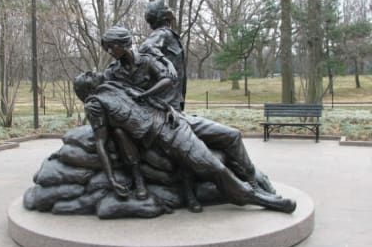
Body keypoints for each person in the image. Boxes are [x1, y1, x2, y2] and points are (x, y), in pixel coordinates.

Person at [73, 71, 296, 214]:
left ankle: (253, 181)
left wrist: (169, 108)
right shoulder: (94, 104)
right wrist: (112, 178)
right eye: (88, 75)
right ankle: (260, 199)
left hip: (176, 118)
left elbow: (148, 98)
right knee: (214, 167)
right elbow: (101, 142)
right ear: (87, 89)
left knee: (232, 135)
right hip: (165, 134)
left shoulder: (114, 86)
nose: (93, 72)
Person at [139, 0, 186, 111]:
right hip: (166, 101)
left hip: (174, 97)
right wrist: (166, 61)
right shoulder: (162, 34)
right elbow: (145, 47)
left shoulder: (169, 35)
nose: (169, 9)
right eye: (165, 8)